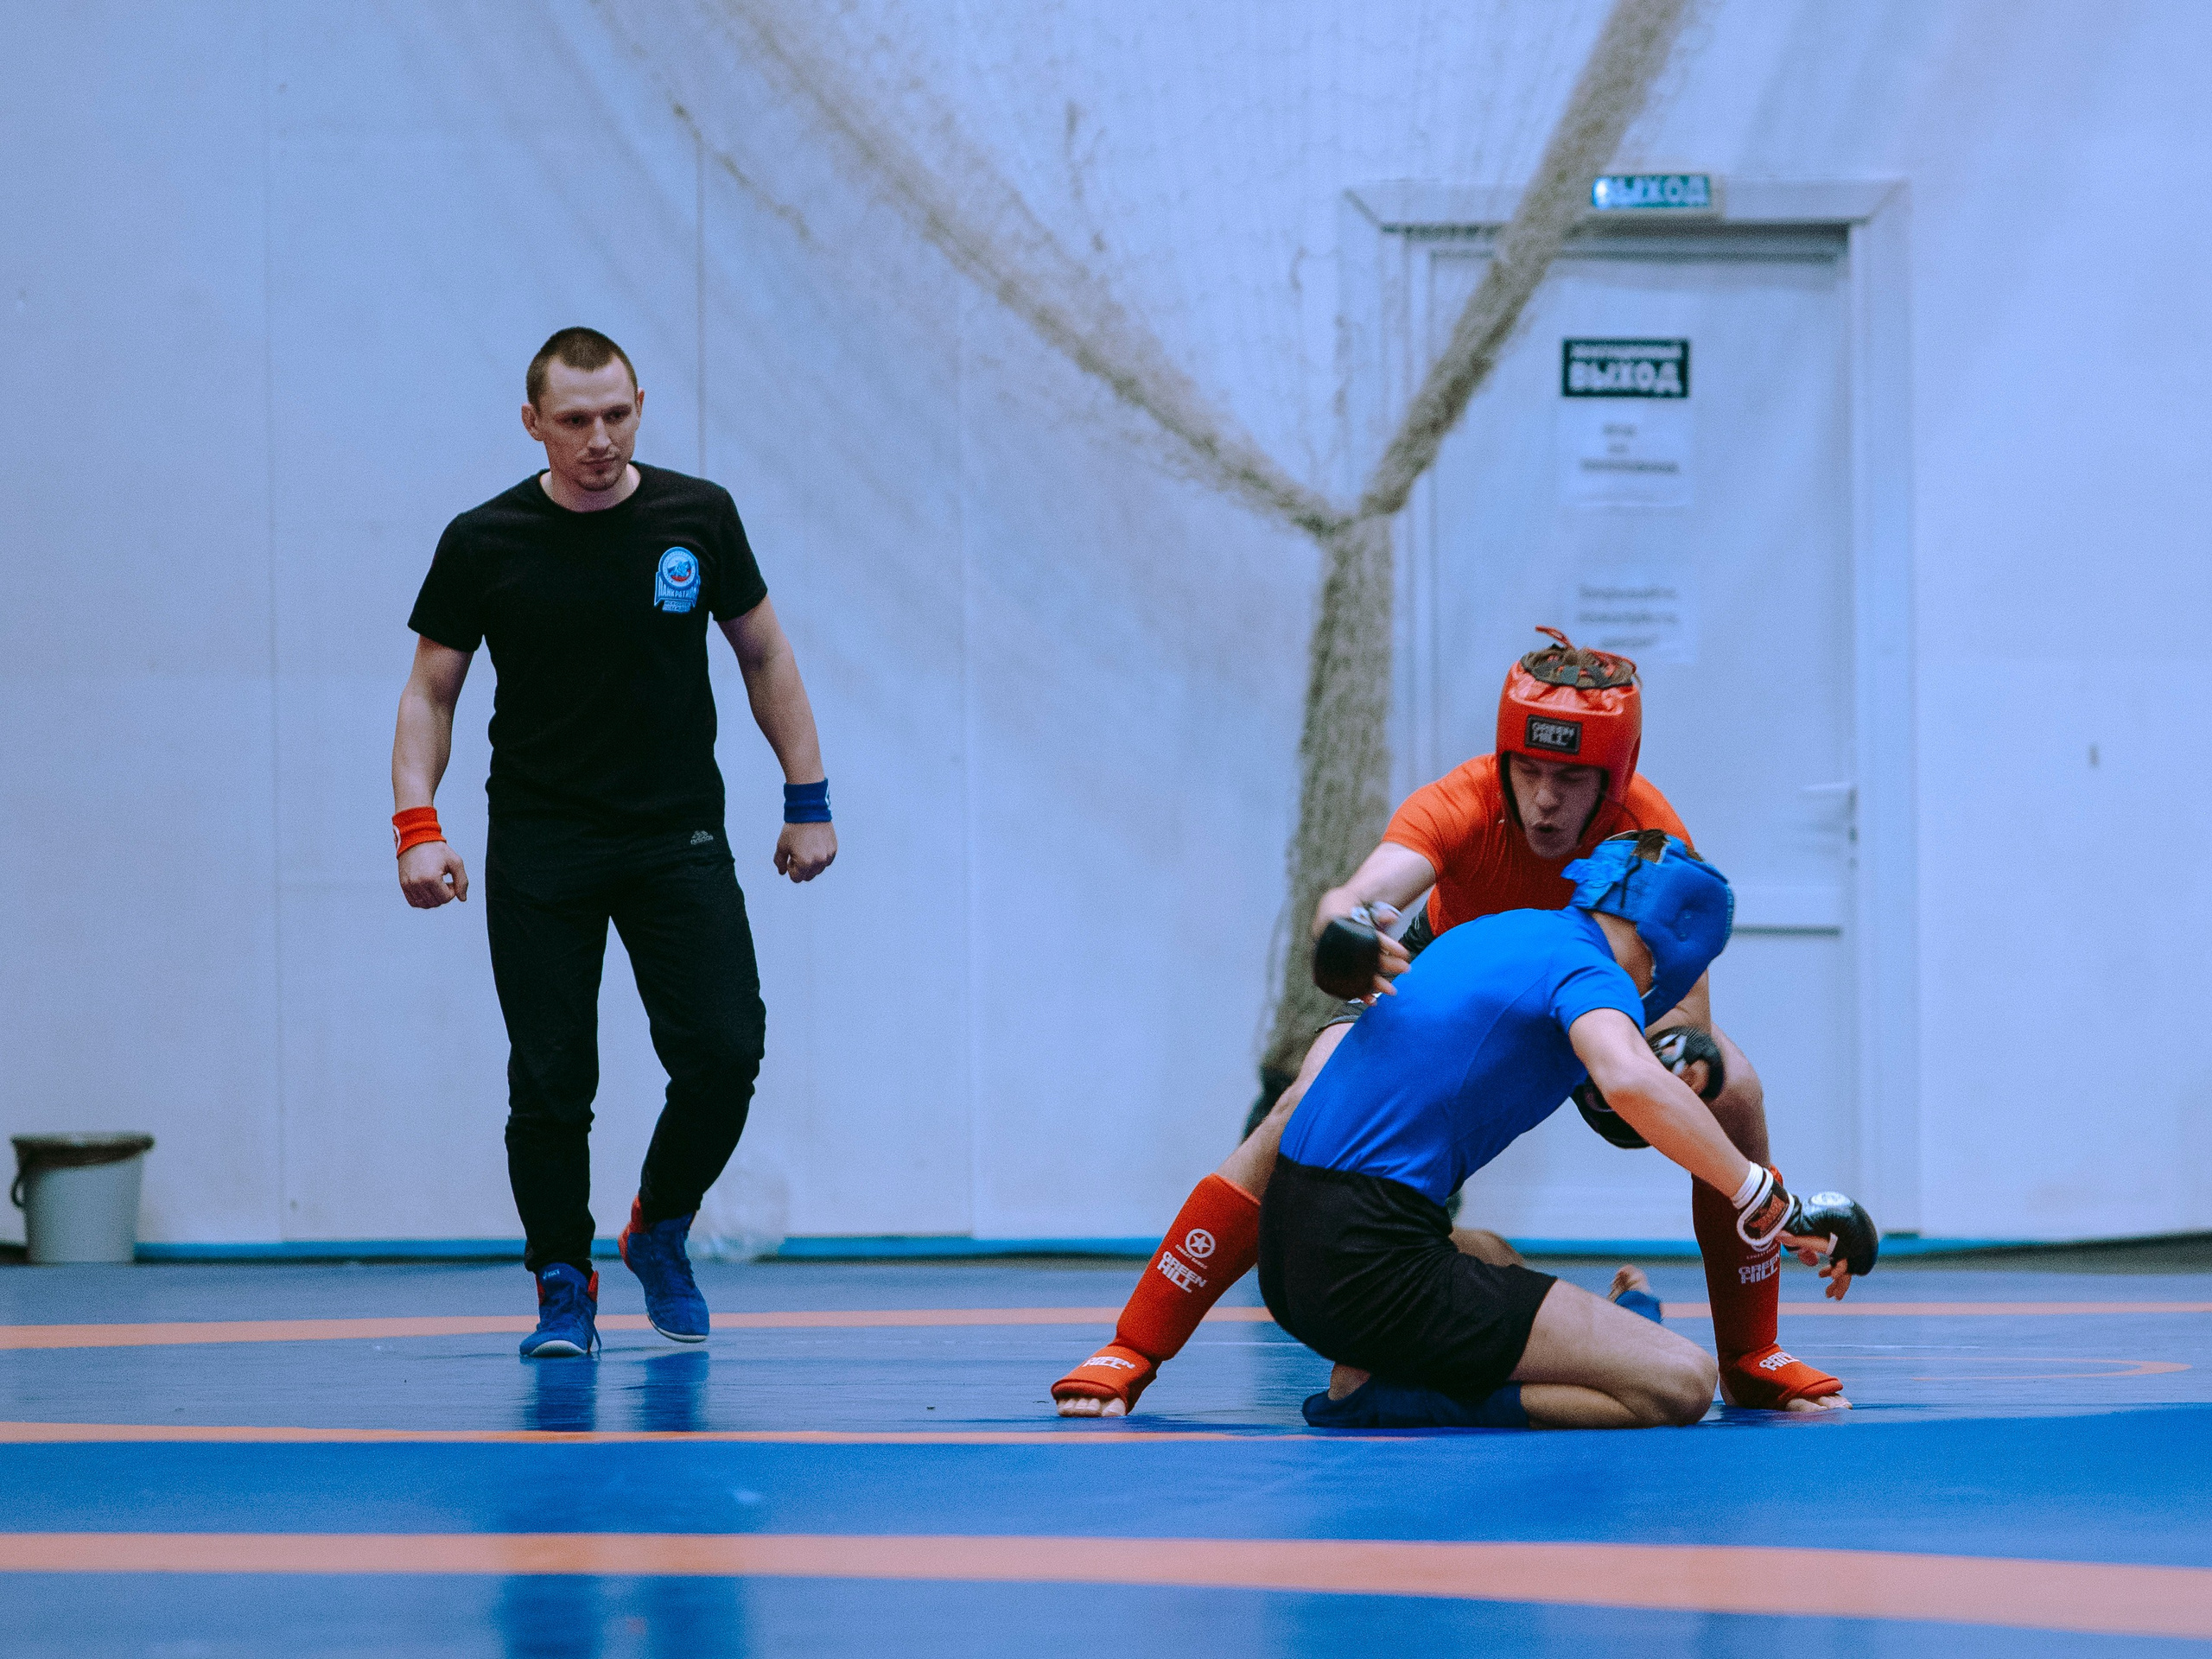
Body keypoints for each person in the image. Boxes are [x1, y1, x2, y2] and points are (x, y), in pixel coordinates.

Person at [1054, 629, 1839, 1416]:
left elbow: (1676, 1015)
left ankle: (1750, 1352)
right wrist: (1347, 939)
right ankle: (1136, 1343)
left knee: (1732, 1091)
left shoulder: (1649, 841)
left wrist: (1680, 1058)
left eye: (1571, 778)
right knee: (1308, 1094)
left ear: (1616, 778)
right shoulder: (1464, 800)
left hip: (1586, 1002)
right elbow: (1360, 897)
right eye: (1528, 770)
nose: (1543, 800)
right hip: (1448, 982)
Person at [391, 327, 836, 1359]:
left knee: (725, 1050)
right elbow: (431, 691)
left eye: (617, 415)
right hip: (544, 843)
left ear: (640, 404)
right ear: (533, 422)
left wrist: (806, 797)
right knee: (550, 1080)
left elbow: (764, 652)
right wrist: (419, 827)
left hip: (674, 834)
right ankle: (560, 1283)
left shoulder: (697, 517)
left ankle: (659, 1226)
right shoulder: (483, 540)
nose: (599, 439)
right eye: (576, 420)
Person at [1262, 830, 1877, 1430]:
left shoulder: (1506, 931)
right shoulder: (1591, 971)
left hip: (1291, 1247)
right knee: (1681, 1381)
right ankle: (1381, 1397)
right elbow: (1629, 1082)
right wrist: (1768, 1204)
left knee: (1493, 1257)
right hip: (1364, 1265)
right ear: (1683, 941)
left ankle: (1592, 1335)